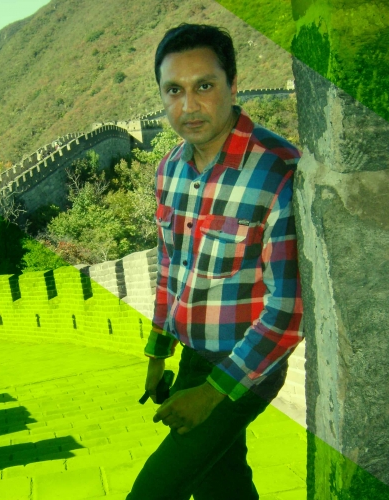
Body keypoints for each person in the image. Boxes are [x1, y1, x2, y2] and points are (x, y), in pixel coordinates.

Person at [126, 24, 304, 500]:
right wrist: (157, 353)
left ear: (233, 84)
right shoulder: (169, 170)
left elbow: (289, 309)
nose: (188, 106)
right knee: (222, 487)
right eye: (174, 90)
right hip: (192, 354)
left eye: (204, 86)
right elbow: (171, 268)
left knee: (152, 491)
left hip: (248, 366)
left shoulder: (277, 170)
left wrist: (211, 393)